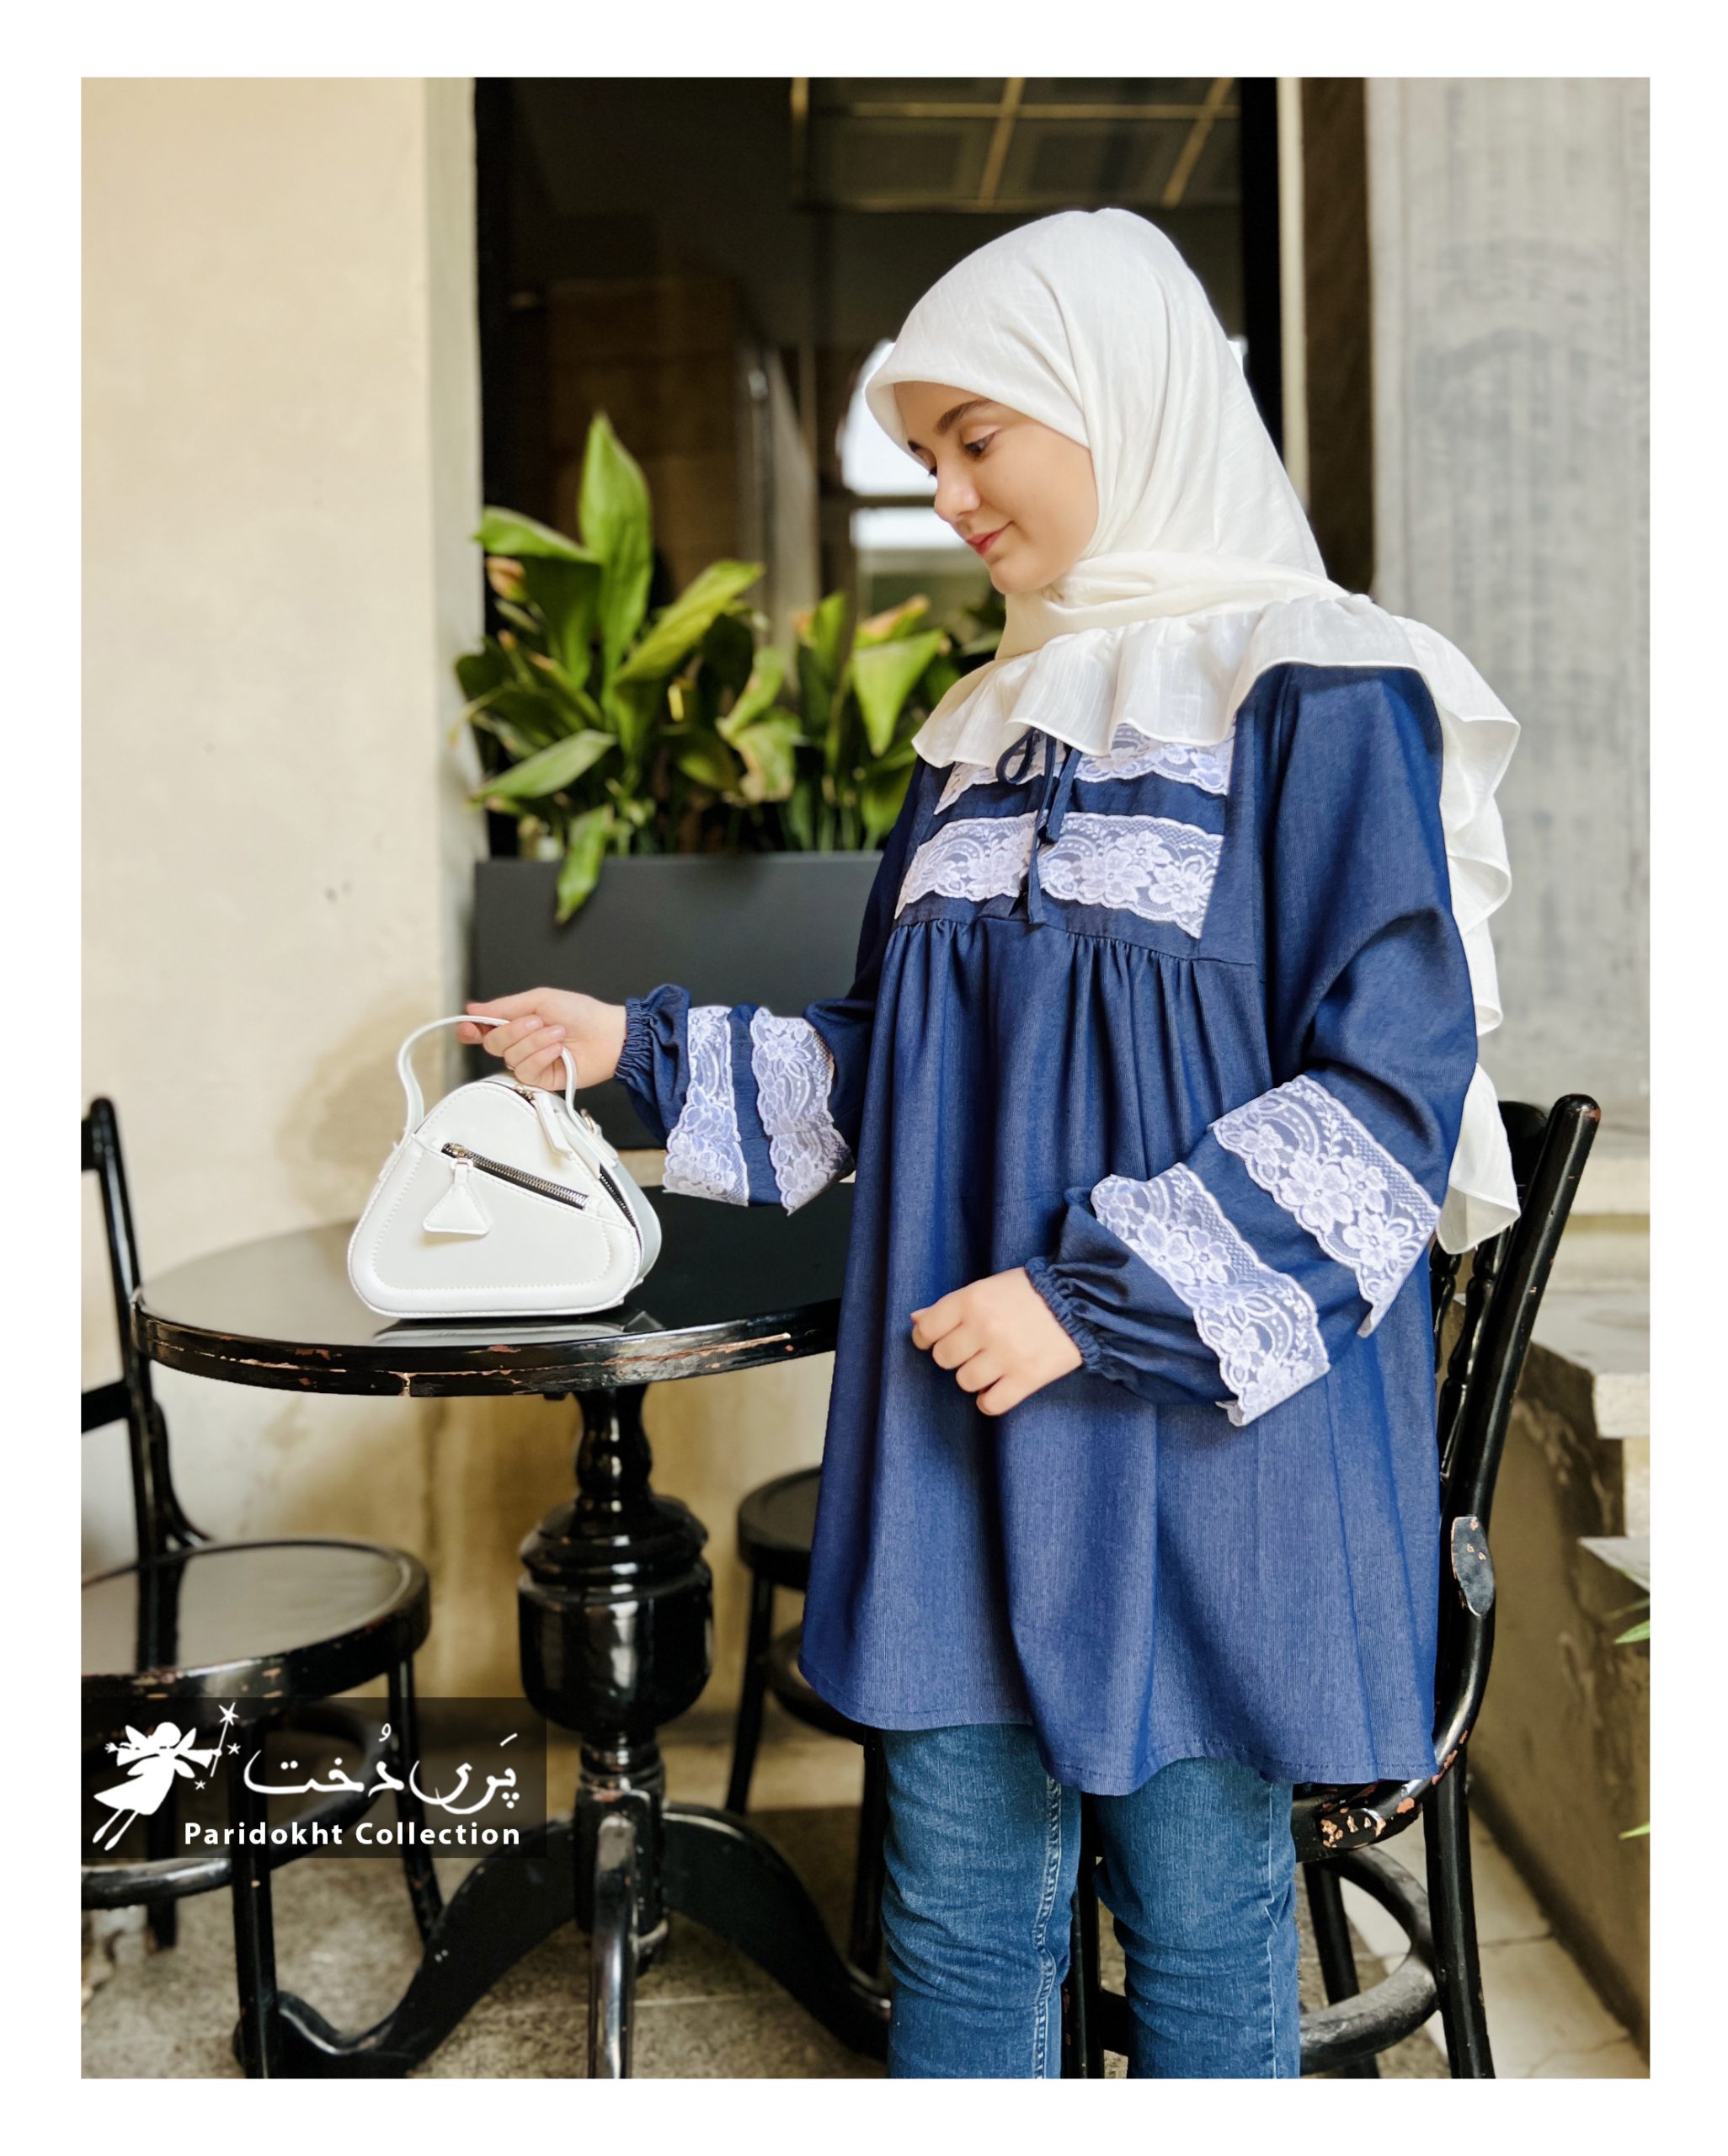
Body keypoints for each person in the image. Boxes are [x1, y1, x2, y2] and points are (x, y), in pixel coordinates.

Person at [459, 207, 1520, 2079]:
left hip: (1201, 1436)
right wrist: (631, 1048)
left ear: (1125, 399)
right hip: (960, 1409)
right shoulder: (977, 730)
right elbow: (898, 1059)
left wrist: (1089, 1306)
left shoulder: (1321, 687)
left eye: (976, 437)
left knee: (1198, 1919)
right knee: (956, 1906)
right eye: (924, 453)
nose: (948, 494)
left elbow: (1386, 1098)